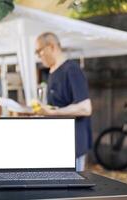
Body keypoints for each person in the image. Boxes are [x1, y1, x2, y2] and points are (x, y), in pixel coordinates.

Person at [35, 32, 92, 171]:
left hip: (72, 145)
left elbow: (85, 108)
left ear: (52, 47)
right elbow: (56, 106)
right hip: (58, 144)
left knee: (73, 191)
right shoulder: (52, 72)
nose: (38, 55)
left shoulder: (71, 69)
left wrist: (52, 112)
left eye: (39, 51)